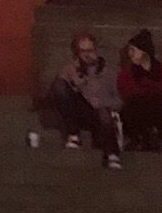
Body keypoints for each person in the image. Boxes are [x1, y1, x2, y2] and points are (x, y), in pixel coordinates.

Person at [42, 31, 123, 166]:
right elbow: (57, 92)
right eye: (82, 51)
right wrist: (71, 79)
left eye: (90, 50)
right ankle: (74, 134)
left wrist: (100, 102)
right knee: (60, 84)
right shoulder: (71, 69)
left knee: (103, 113)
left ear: (96, 50)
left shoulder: (108, 73)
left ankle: (112, 155)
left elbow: (120, 101)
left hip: (100, 112)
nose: (86, 54)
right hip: (79, 110)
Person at [118, 30, 162, 153]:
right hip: (137, 108)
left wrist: (144, 85)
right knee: (134, 105)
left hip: (159, 107)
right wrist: (150, 87)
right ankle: (136, 139)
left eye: (133, 50)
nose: (130, 54)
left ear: (144, 51)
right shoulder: (127, 73)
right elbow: (128, 92)